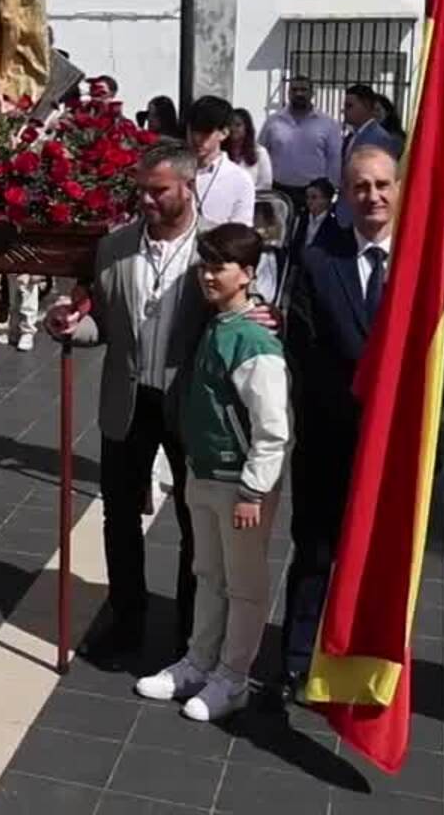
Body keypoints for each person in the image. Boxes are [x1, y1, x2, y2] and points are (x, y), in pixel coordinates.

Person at [277, 144, 444, 702]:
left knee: (385, 562)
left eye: (383, 185)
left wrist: (402, 409)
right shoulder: (317, 260)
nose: (373, 196)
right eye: (360, 186)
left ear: (401, 190)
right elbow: (303, 351)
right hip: (330, 440)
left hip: (398, 448)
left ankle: (368, 665)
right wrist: (363, 401)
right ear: (344, 195)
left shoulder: (425, 266)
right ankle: (295, 660)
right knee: (313, 554)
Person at [47, 144, 204, 664]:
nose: (146, 200)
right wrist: (71, 325)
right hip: (127, 399)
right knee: (118, 515)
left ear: (188, 186)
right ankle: (126, 619)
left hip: (189, 405)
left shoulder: (214, 249)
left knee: (194, 521)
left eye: (158, 190)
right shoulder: (115, 247)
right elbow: (105, 327)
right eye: (141, 188)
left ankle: (191, 631)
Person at [133, 222, 290, 723]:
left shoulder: (253, 341)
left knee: (244, 586)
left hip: (238, 484)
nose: (207, 275)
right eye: (203, 264)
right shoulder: (216, 325)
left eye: (218, 265)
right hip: (202, 474)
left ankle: (233, 677)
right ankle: (198, 662)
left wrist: (253, 490)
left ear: (246, 274)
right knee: (208, 575)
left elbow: (272, 429)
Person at [258, 75, 343, 196]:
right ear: (288, 93)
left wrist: (331, 188)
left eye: (303, 90)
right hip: (278, 189)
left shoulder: (327, 124)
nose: (299, 93)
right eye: (294, 90)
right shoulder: (273, 122)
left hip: (314, 192)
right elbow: (261, 153)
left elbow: (334, 158)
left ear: (312, 93)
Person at [186, 96, 257, 229]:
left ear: (224, 133)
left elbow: (240, 233)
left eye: (205, 133)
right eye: (193, 131)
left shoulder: (240, 179)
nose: (196, 138)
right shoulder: (176, 171)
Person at [226, 108, 273, 192]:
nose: (232, 129)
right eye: (230, 125)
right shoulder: (221, 152)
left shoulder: (260, 152)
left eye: (238, 125)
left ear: (247, 128)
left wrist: (244, 194)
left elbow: (265, 184)